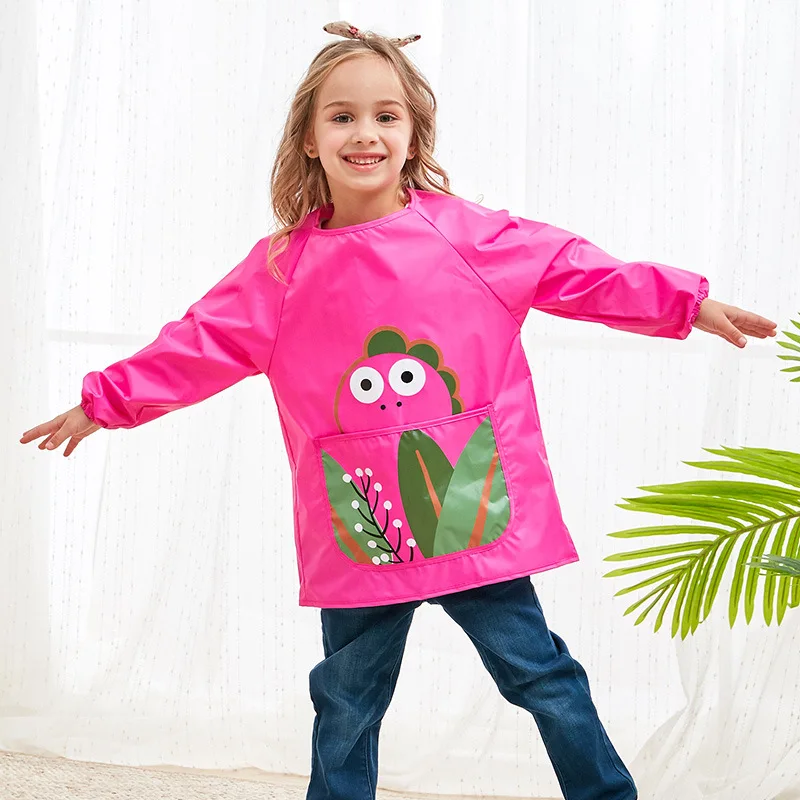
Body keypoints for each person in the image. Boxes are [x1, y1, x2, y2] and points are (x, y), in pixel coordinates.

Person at [19, 20, 777, 800]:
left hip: (465, 508)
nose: (365, 133)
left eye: (386, 115)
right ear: (309, 139)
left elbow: (577, 270)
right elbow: (198, 342)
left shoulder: (468, 237)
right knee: (347, 703)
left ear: (413, 136)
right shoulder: (281, 270)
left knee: (541, 675)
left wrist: (686, 303)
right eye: (342, 116)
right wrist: (103, 402)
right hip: (361, 525)